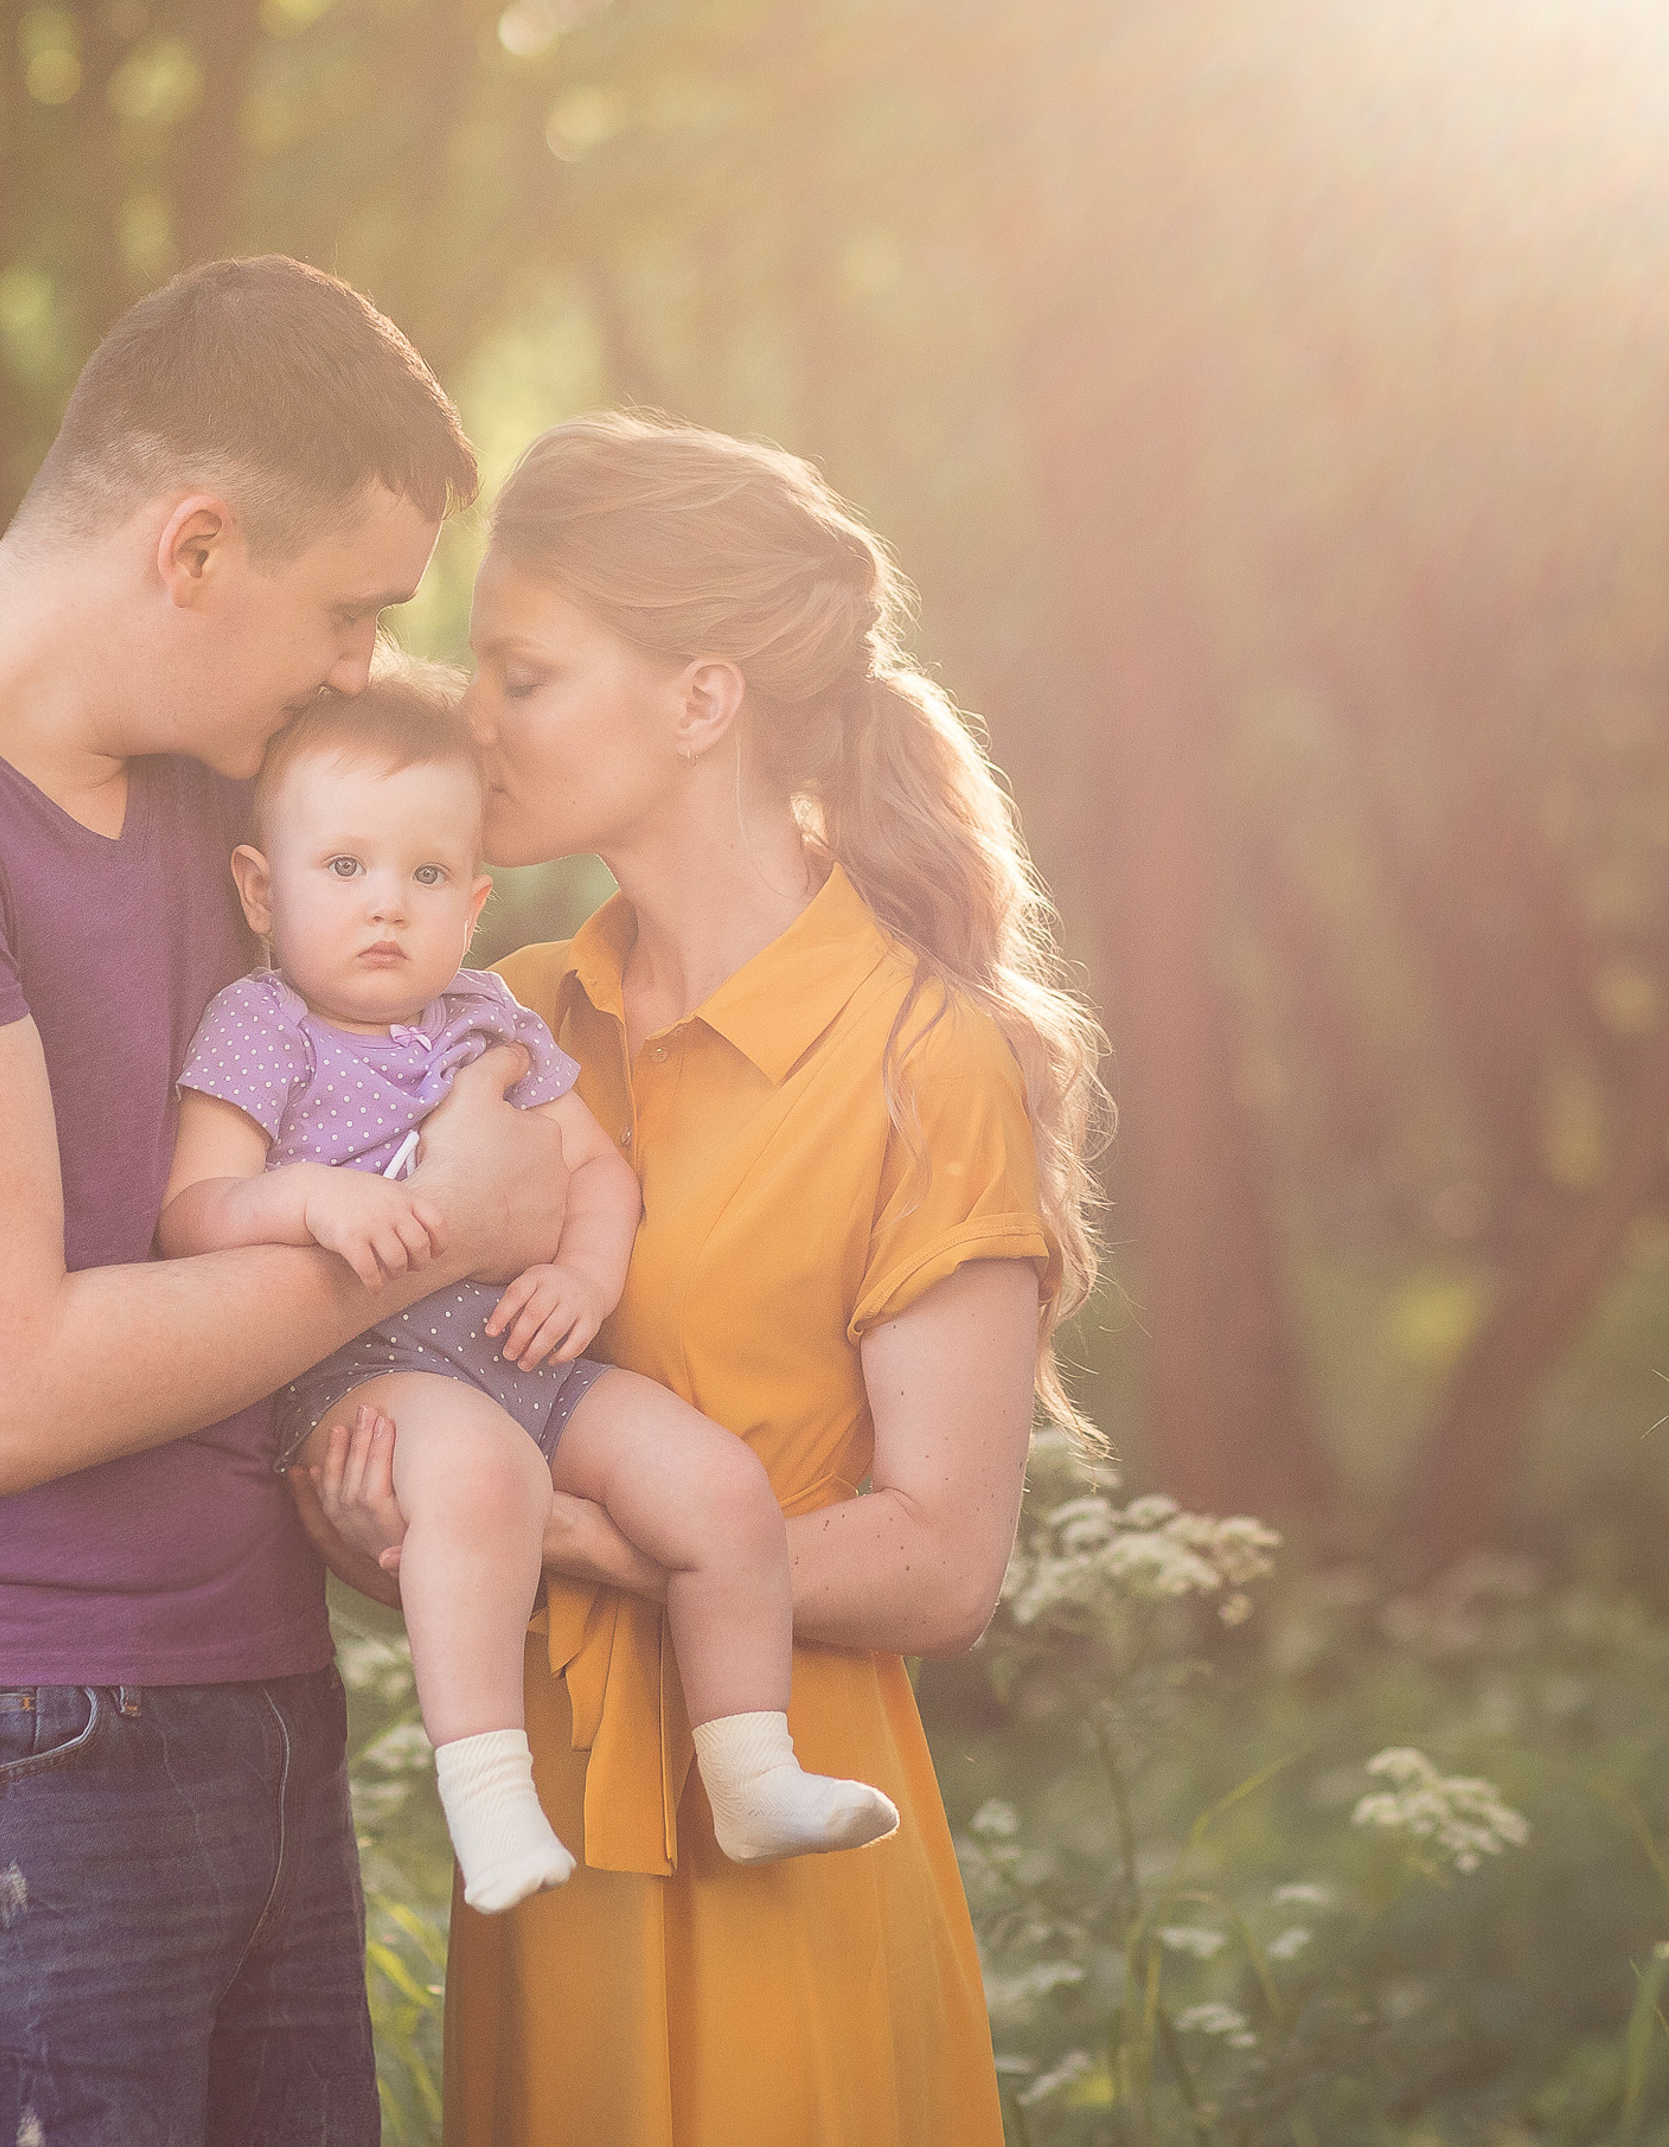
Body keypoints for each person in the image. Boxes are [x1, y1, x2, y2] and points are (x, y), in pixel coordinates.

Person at [0, 256, 573, 2147]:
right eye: (347, 611)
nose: (358, 671)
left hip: (250, 1704)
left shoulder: (221, 807)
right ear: (191, 549)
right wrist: (457, 1225)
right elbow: (0, 1390)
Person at [298, 414, 1110, 2147]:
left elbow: (941, 1555)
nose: (475, 721)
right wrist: (363, 1492)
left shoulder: (921, 1054)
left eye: (526, 675)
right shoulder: (495, 1021)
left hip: (788, 1850)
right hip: (551, 1866)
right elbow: (396, 1421)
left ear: (701, 698)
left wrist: (568, 1540)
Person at [157, 664, 901, 1914]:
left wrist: (580, 1270)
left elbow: (594, 1171)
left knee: (721, 1485)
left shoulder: (490, 1016)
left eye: (427, 874)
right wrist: (314, 1200)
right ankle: (490, 1795)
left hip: (524, 1350)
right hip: (365, 1378)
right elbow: (193, 1218)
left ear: (474, 898)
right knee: (478, 1476)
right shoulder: (260, 1025)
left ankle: (752, 1766)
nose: (386, 905)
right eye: (343, 868)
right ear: (258, 887)